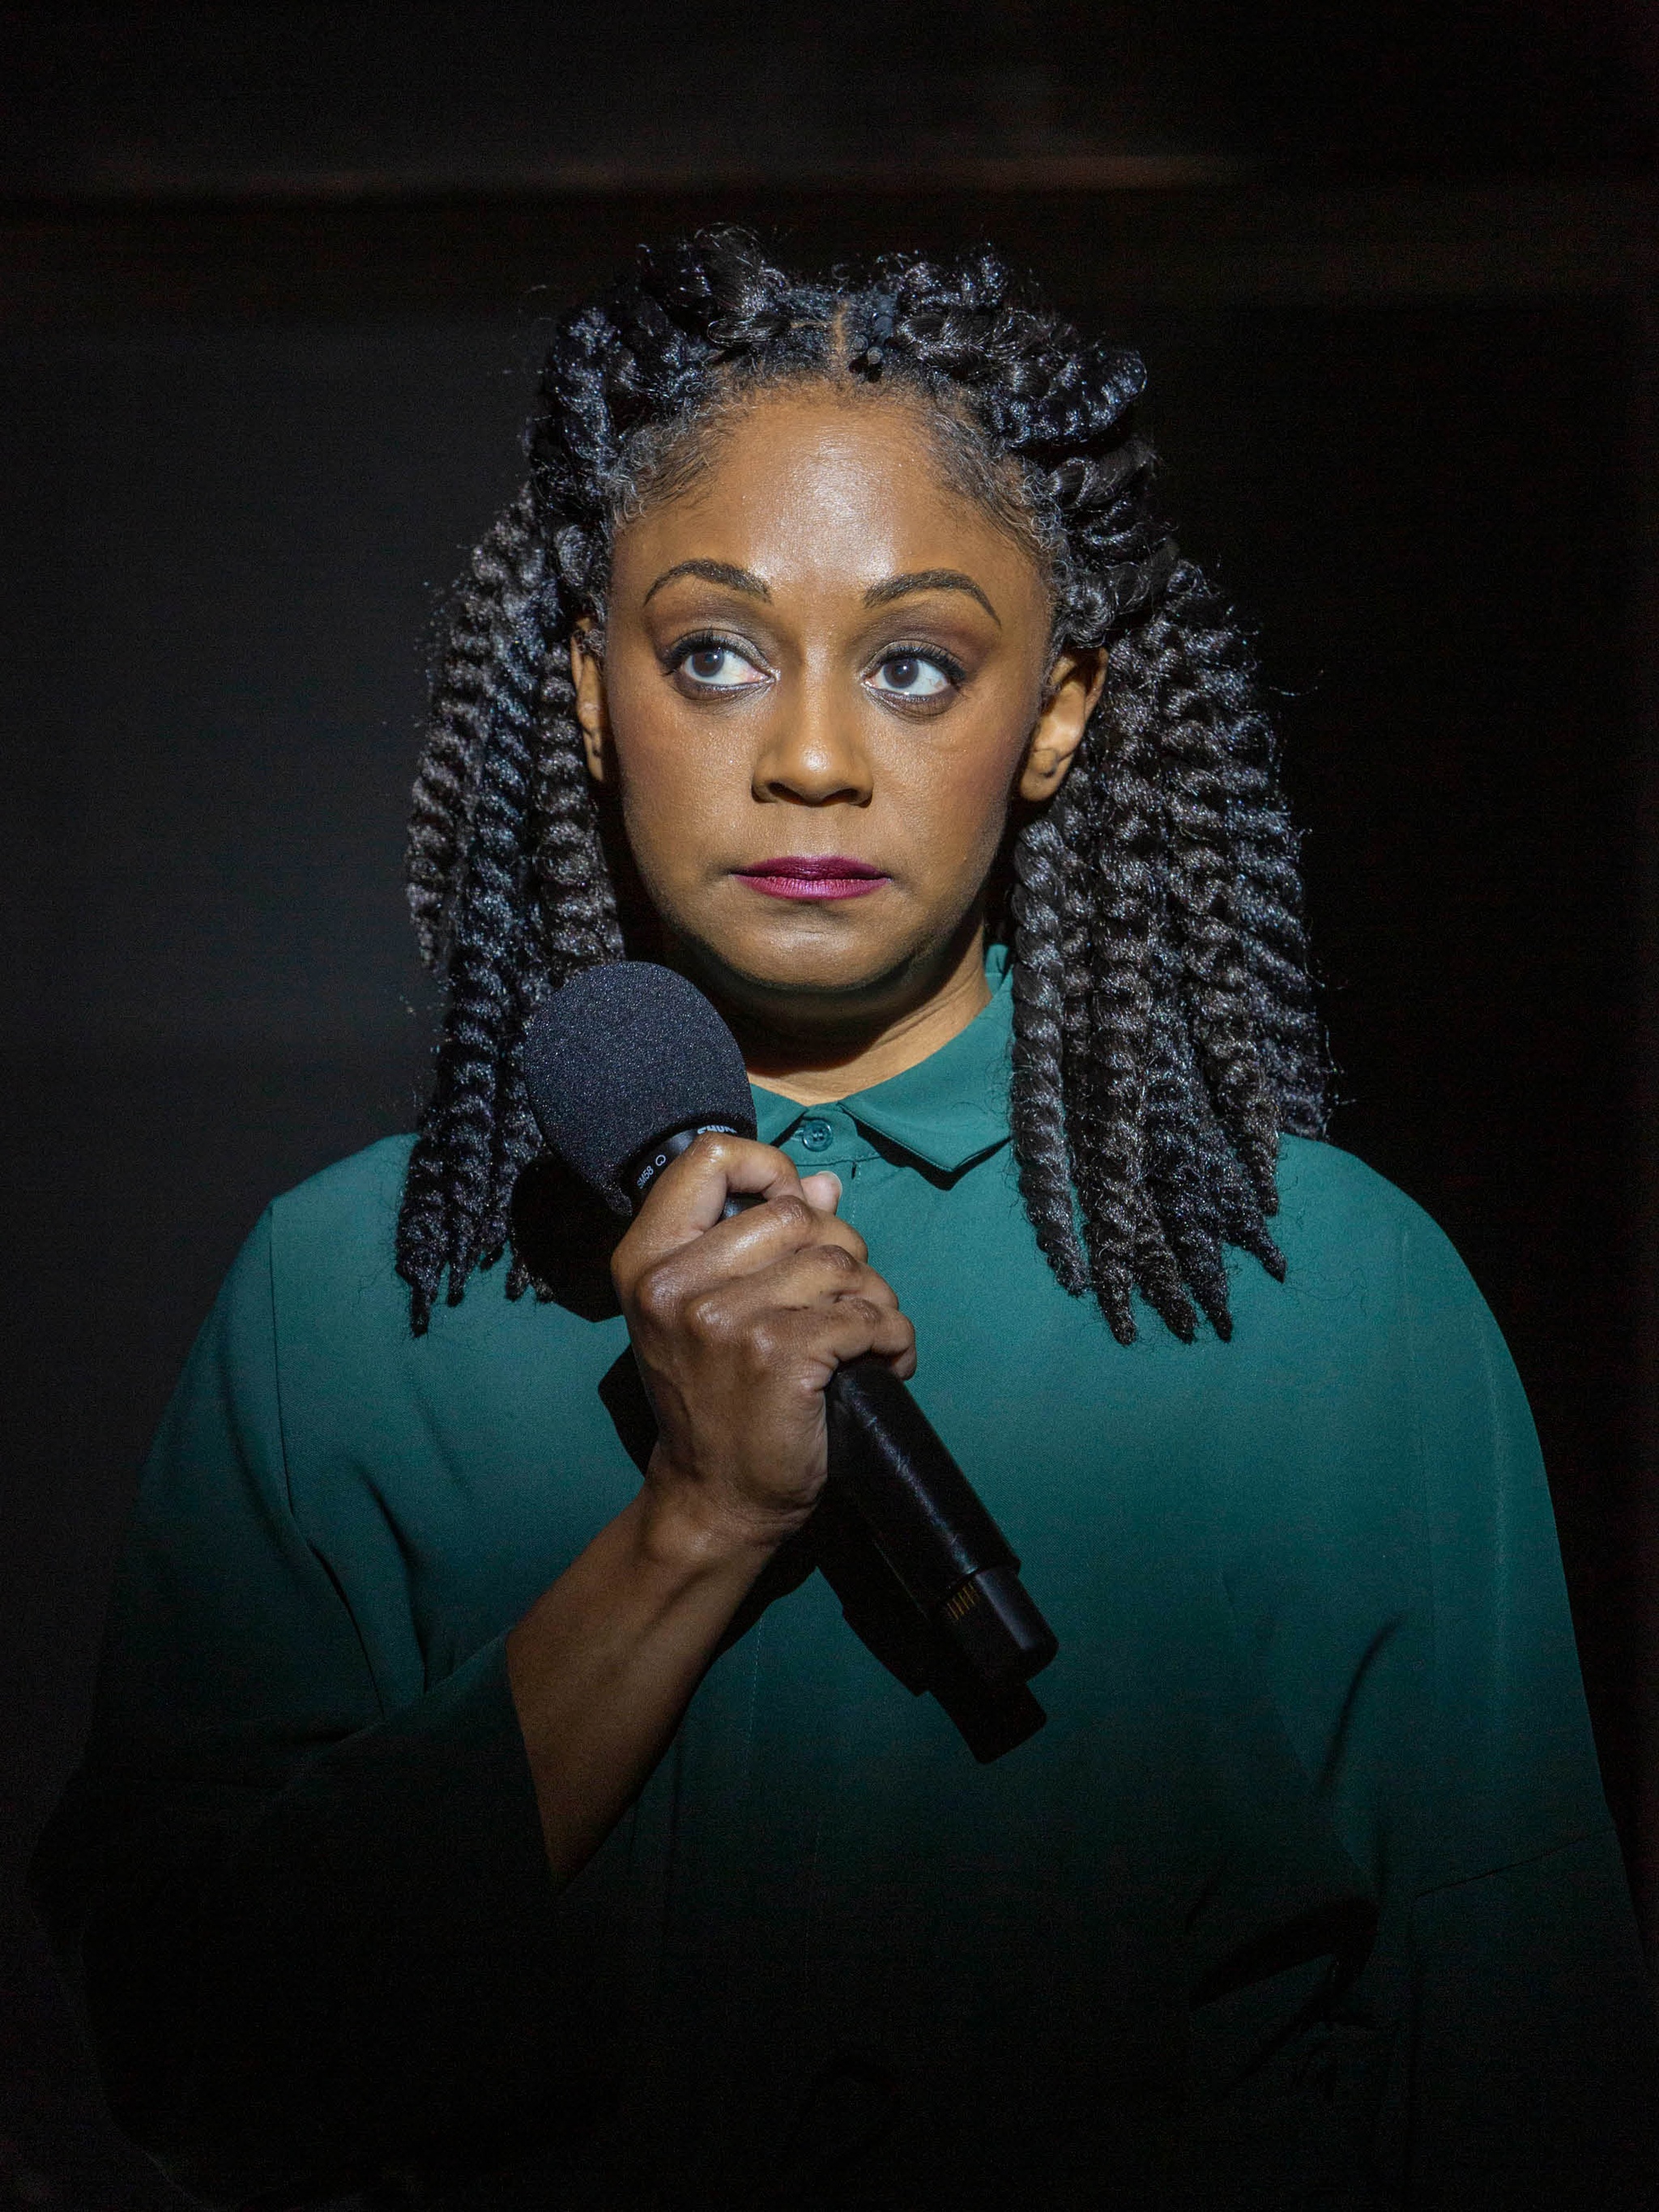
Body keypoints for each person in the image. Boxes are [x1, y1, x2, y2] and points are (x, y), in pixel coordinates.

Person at [32, 232, 1657, 2211]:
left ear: (1056, 715)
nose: (809, 755)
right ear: (591, 696)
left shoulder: (1335, 1302)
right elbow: (194, 2051)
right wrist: (691, 1526)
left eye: (914, 663)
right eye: (714, 650)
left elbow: (1526, 2061)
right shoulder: (350, 1301)